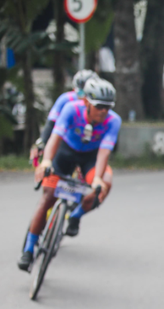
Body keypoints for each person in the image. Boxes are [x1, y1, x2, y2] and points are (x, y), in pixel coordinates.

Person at [18, 78, 119, 271]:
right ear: (87, 102)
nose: (104, 111)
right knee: (48, 196)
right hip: (65, 152)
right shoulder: (71, 109)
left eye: (108, 107)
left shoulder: (113, 121)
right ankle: (29, 250)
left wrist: (97, 178)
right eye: (100, 106)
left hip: (91, 157)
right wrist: (47, 160)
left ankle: (75, 215)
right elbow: (55, 137)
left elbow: (105, 152)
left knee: (104, 183)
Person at [30, 70, 99, 164]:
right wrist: (41, 143)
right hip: (67, 140)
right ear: (74, 89)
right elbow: (51, 123)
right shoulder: (65, 99)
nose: (83, 98)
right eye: (81, 92)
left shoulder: (100, 106)